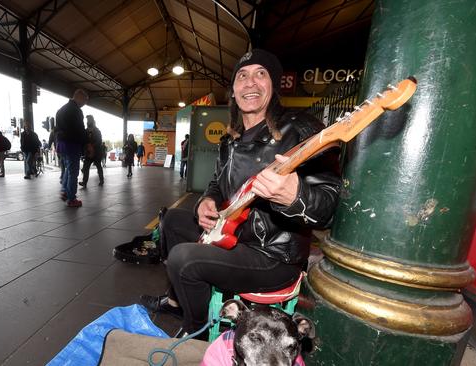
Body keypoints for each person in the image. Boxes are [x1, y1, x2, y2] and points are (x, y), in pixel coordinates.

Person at [139, 49, 341, 340]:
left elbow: (330, 205)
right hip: (233, 232)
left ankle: (195, 331)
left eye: (261, 74)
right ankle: (175, 302)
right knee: (169, 219)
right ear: (233, 91)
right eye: (242, 76)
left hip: (274, 255)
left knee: (184, 258)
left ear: (273, 85)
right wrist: (206, 201)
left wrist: (295, 195)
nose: (251, 83)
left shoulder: (302, 130)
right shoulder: (230, 138)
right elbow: (217, 184)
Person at [55, 89, 88, 207]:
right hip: (72, 144)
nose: (85, 103)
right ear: (79, 97)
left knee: (67, 169)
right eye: (85, 100)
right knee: (73, 171)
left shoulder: (61, 110)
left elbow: (56, 128)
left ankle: (64, 191)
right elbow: (79, 130)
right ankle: (71, 198)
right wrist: (85, 143)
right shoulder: (76, 111)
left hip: (61, 144)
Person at [79, 115, 104, 187]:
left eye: (89, 120)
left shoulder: (97, 131)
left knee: (99, 167)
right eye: (87, 120)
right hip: (88, 153)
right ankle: (84, 182)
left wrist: (92, 146)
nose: (88, 122)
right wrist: (86, 147)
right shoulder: (86, 131)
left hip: (96, 153)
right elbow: (83, 141)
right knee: (86, 167)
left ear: (92, 121)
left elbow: (99, 141)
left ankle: (101, 180)